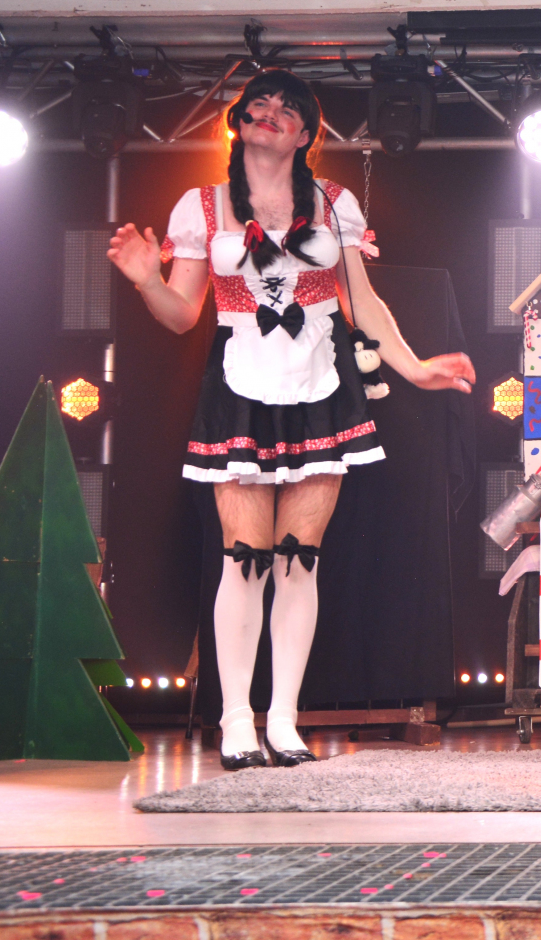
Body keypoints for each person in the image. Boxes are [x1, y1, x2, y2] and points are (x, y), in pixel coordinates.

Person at [106, 69, 474, 771]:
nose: (269, 111)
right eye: (259, 103)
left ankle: (283, 718)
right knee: (243, 558)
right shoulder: (202, 206)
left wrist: (416, 367)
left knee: (299, 559)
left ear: (307, 133)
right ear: (239, 122)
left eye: (287, 106)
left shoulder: (334, 204)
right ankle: (235, 719)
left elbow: (363, 302)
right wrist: (148, 279)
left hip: (320, 383)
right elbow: (182, 314)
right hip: (240, 384)